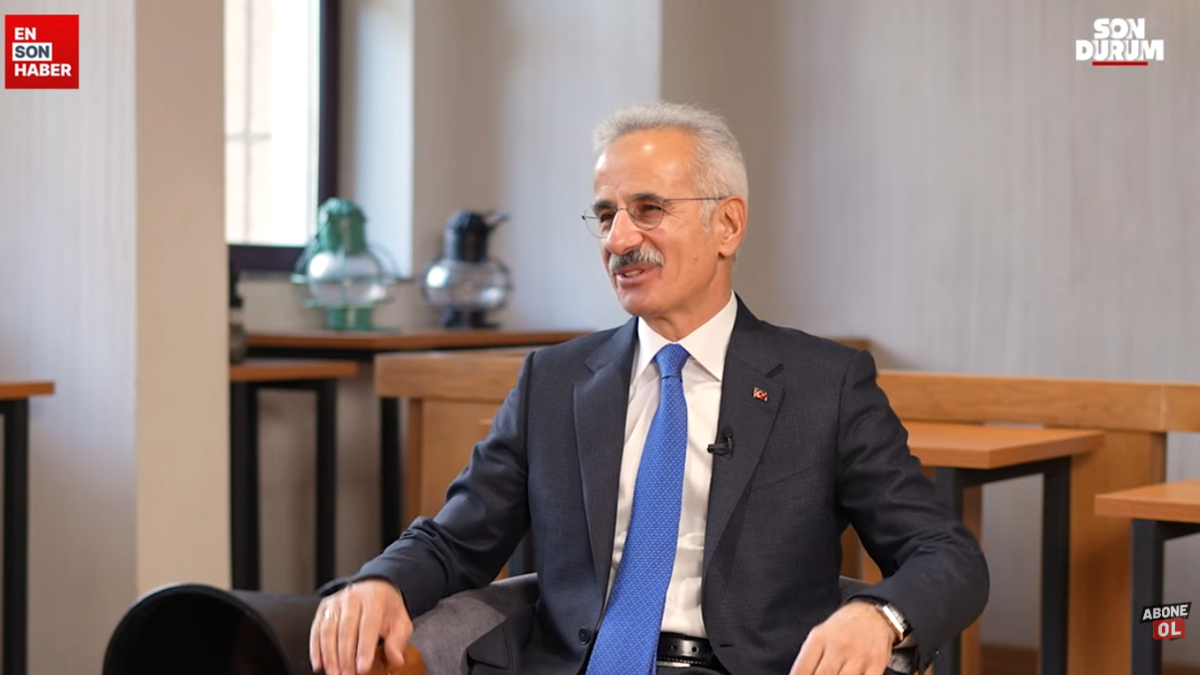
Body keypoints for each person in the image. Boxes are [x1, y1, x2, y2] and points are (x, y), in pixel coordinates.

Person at [309, 102, 989, 675]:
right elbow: (455, 540)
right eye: (605, 214)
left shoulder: (824, 384)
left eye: (649, 209)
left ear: (728, 225)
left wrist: (879, 615)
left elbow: (947, 554)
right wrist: (380, 581)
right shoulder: (554, 381)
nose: (619, 238)